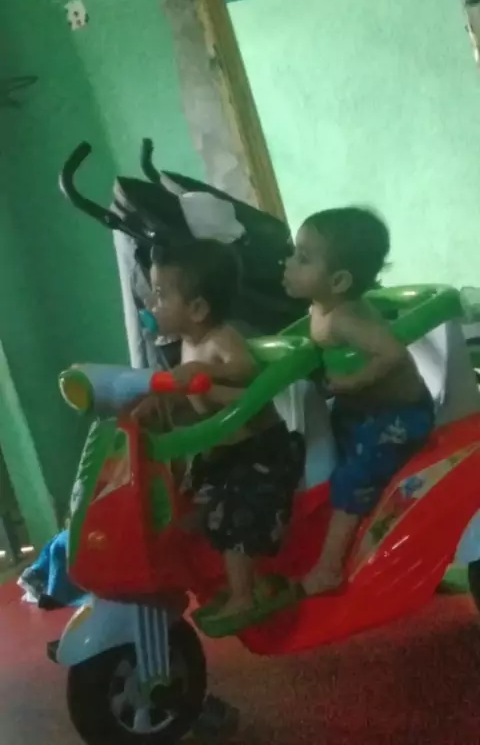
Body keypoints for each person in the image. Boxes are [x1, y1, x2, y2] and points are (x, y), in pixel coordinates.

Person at [132, 239, 304, 620]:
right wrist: (155, 404)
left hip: (260, 451)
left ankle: (245, 596)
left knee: (235, 518)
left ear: (197, 308)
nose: (151, 305)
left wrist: (204, 372)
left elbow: (246, 370)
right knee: (187, 510)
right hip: (223, 453)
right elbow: (188, 394)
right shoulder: (187, 343)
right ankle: (241, 580)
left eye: (160, 295)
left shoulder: (220, 339)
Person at [283, 207, 434, 596]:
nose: (288, 263)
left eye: (303, 258)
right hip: (362, 409)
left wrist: (351, 381)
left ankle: (329, 568)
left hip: (399, 415)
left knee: (353, 478)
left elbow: (392, 354)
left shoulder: (345, 318)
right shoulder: (320, 308)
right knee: (322, 446)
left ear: (338, 281)